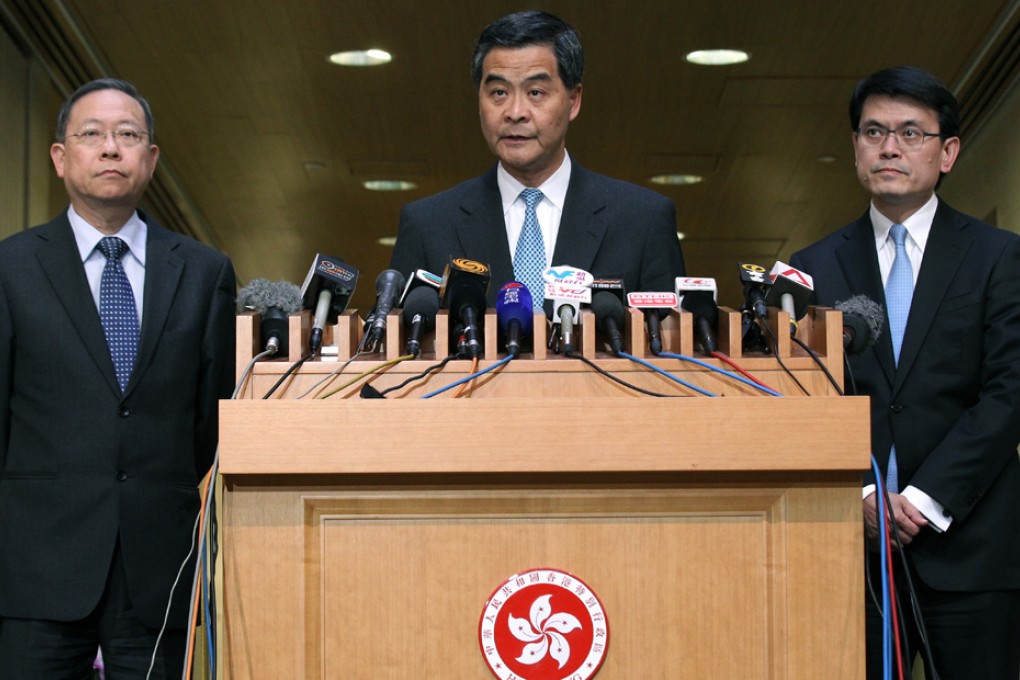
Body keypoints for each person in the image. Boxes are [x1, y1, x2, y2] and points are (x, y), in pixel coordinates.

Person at [0, 78, 236, 678]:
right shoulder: (11, 267)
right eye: (92, 135)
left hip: (159, 568)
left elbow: (212, 427)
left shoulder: (204, 273)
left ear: (150, 159)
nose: (111, 149)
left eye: (128, 136)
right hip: (36, 569)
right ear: (60, 157)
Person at [791, 66, 1020, 679]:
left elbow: (1009, 394)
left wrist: (921, 500)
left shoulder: (998, 257)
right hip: (850, 555)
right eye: (873, 132)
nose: (889, 147)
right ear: (856, 148)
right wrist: (863, 497)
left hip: (969, 552)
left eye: (911, 133)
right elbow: (803, 401)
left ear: (947, 153)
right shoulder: (812, 266)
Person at [390, 10, 685, 307]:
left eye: (535, 92)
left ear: (573, 100)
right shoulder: (427, 225)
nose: (515, 112)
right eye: (499, 92)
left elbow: (675, 345)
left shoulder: (643, 220)